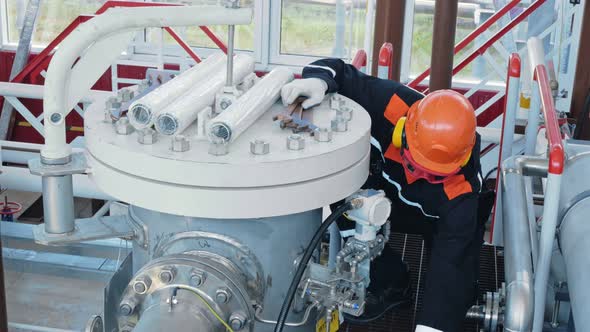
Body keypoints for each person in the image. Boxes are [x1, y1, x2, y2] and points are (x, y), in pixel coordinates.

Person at [280, 58, 494, 332]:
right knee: (346, 197)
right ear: (403, 133)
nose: (419, 175)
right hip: (382, 192)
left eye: (432, 174)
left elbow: (449, 265)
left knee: (457, 277)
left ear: (455, 167)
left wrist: (432, 326)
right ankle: (391, 283)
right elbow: (343, 73)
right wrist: (319, 81)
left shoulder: (461, 193)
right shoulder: (392, 105)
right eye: (415, 164)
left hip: (433, 217)